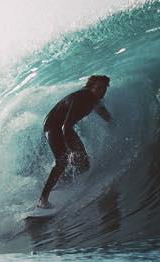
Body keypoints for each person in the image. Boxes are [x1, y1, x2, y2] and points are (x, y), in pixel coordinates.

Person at [38, 75, 114, 208]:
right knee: (63, 160)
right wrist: (70, 150)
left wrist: (116, 126)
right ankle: (42, 200)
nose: (102, 91)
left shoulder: (95, 101)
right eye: (99, 88)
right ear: (91, 87)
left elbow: (107, 117)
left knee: (84, 164)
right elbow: (65, 126)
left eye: (104, 89)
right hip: (53, 126)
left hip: (64, 128)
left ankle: (62, 181)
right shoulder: (82, 98)